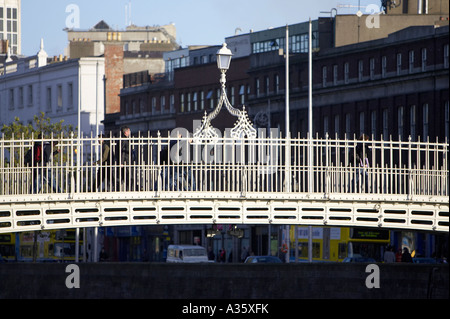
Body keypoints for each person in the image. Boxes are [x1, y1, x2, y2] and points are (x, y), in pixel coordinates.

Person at [115, 126, 134, 190]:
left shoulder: (123, 139)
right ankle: (129, 189)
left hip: (125, 161)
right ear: (126, 132)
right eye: (128, 131)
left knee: (123, 177)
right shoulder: (124, 140)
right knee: (127, 176)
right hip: (126, 161)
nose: (129, 132)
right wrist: (122, 162)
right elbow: (122, 151)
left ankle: (125, 188)